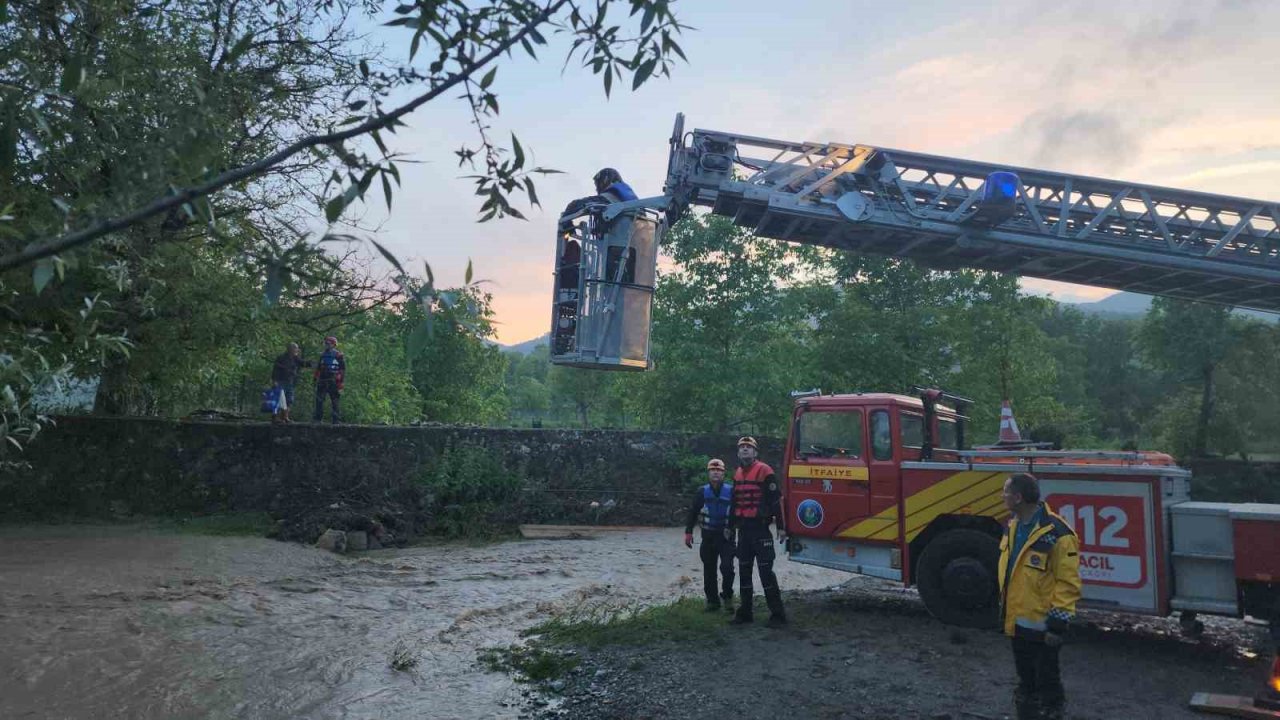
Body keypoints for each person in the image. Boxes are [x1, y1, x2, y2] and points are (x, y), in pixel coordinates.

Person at [998, 472, 1083, 720]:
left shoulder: (1058, 533)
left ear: (1018, 497)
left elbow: (1068, 583)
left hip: (1043, 625)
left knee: (1048, 679)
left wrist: (1057, 626)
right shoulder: (1012, 527)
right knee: (1026, 678)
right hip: (1018, 619)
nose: (1002, 496)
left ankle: (1053, 711)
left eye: (1005, 492)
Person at [729, 436, 787, 627]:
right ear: (738, 453)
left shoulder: (765, 471)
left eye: (749, 447)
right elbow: (734, 503)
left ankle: (777, 615)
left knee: (766, 573)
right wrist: (729, 528)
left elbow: (775, 501)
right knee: (744, 572)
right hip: (744, 531)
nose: (745, 450)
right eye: (742, 447)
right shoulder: (737, 473)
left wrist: (781, 527)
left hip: (761, 530)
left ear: (755, 452)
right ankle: (745, 612)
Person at [683, 458, 736, 612]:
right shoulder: (702, 492)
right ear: (708, 473)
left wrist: (732, 527)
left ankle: (727, 598)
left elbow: (737, 513)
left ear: (723, 473)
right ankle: (712, 602)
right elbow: (693, 512)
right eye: (712, 470)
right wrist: (688, 532)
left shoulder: (731, 491)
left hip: (726, 536)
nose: (715, 472)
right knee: (709, 569)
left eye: (718, 470)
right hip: (708, 536)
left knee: (727, 568)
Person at [559, 168, 638, 223]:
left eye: (597, 185)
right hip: (638, 243)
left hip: (617, 244)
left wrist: (566, 224)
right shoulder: (633, 202)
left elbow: (575, 205)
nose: (597, 189)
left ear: (605, 181)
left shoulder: (609, 197)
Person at [270, 342, 310, 424]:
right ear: (290, 349)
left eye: (297, 348)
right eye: (295, 348)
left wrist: (313, 363)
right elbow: (275, 370)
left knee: (289, 400)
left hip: (290, 382)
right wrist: (275, 381)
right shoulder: (281, 358)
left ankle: (285, 417)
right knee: (278, 400)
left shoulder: (295, 358)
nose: (297, 350)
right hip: (280, 381)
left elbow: (303, 363)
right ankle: (275, 418)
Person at [313, 336, 346, 424]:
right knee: (319, 400)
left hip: (334, 381)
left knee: (335, 401)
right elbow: (318, 368)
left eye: (328, 343)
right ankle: (318, 419)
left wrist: (341, 382)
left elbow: (342, 369)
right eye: (326, 343)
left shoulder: (338, 355)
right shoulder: (322, 355)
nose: (326, 345)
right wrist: (315, 378)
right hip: (322, 380)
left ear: (333, 345)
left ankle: (336, 420)